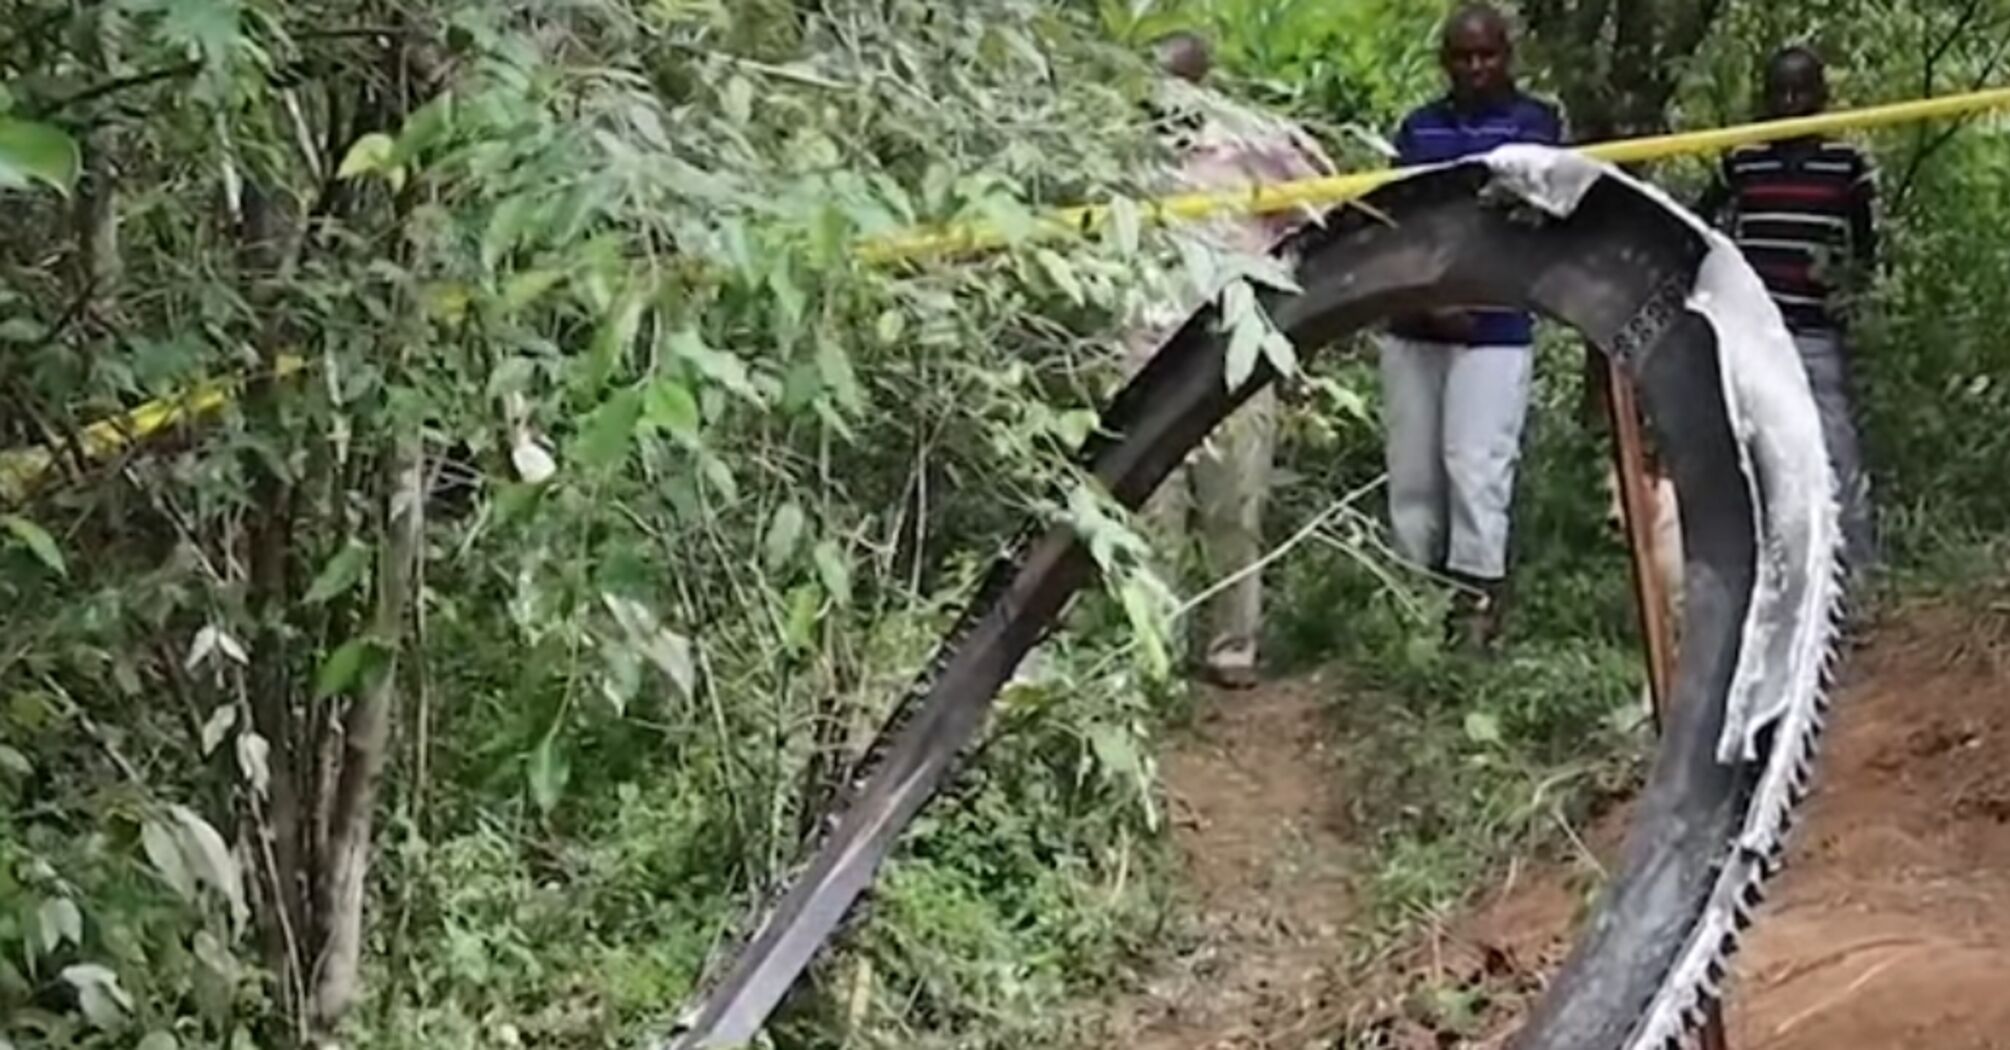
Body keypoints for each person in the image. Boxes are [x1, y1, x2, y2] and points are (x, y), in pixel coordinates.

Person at [1125, 31, 1335, 688]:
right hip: (1145, 362)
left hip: (1235, 357)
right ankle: (1153, 656)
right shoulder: (1122, 154)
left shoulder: (1248, 147)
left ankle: (1233, 649)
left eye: (1176, 85)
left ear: (1202, 85)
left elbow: (1329, 203)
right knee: (1151, 512)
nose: (1164, 100)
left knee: (1235, 508)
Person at [1380, 4, 1563, 651]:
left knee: (1476, 464)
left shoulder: (1535, 124)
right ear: (1445, 61)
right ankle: (1413, 610)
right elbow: (1397, 219)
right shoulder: (1420, 129)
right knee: (1412, 474)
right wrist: (1427, 298)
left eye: (1486, 55)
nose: (1475, 67)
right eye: (1462, 56)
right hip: (1414, 322)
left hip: (1495, 324)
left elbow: (1548, 219)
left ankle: (1478, 607)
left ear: (1506, 55)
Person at [1696, 45, 1881, 587]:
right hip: (1755, 334)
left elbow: (1866, 249)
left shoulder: (1844, 165)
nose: (1791, 103)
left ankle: (1861, 576)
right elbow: (1700, 224)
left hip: (1816, 330)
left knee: (1835, 450)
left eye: (1802, 92)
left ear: (1822, 98)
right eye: (1780, 93)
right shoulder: (1744, 161)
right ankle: (1775, 577)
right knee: (1757, 454)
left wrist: (1847, 293)